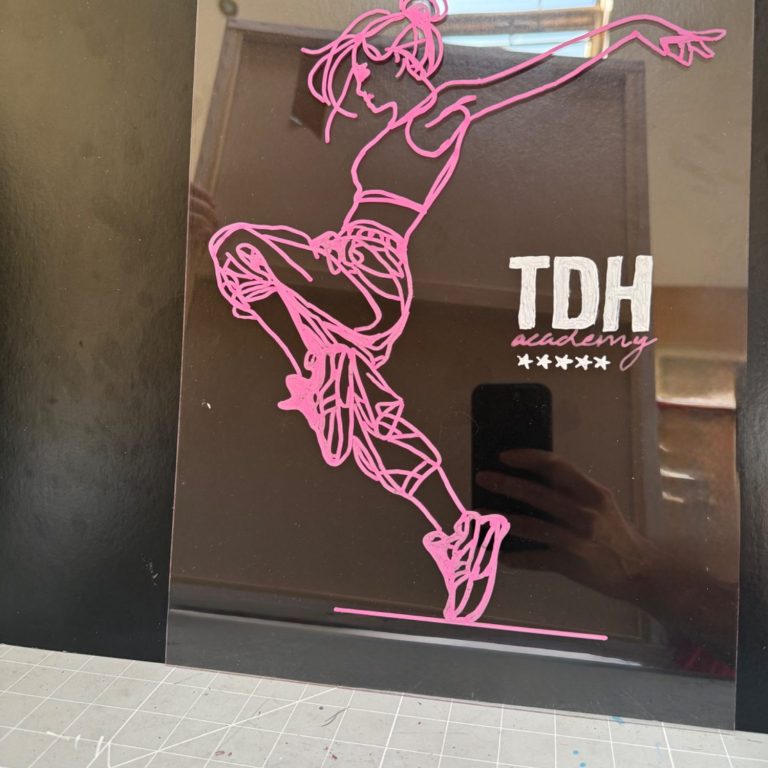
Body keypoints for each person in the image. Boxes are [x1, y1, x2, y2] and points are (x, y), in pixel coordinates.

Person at [208, 0, 725, 624]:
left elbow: (528, 76)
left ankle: (316, 371)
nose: (361, 90)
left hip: (368, 268)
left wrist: (640, 29)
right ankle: (456, 529)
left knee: (238, 249)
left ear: (402, 62)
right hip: (343, 259)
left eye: (366, 73)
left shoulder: (438, 115)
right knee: (373, 426)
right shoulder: (393, 122)